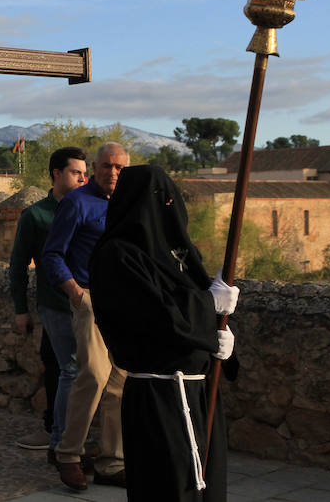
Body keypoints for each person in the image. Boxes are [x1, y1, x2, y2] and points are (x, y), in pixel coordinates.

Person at [89, 165, 239, 501]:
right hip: (158, 396)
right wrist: (207, 305)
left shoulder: (180, 255)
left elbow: (200, 308)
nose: (165, 207)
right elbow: (152, 317)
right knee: (170, 488)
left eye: (169, 199)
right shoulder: (116, 256)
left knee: (208, 487)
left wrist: (223, 340)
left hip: (201, 392)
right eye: (157, 198)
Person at [42, 142, 130, 490]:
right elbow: (52, 255)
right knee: (92, 374)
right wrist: (77, 295)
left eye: (119, 167)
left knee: (121, 383)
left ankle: (112, 462)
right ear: (94, 168)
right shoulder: (76, 203)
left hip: (123, 302)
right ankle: (68, 455)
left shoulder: (127, 204)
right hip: (90, 298)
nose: (112, 173)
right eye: (106, 166)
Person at [9, 147, 87, 453]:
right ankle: (57, 434)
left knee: (69, 368)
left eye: (85, 173)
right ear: (57, 174)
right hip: (55, 305)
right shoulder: (37, 215)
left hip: (88, 305)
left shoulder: (90, 208)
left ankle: (66, 433)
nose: (83, 178)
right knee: (62, 368)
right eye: (75, 172)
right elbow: (17, 265)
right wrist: (20, 310)